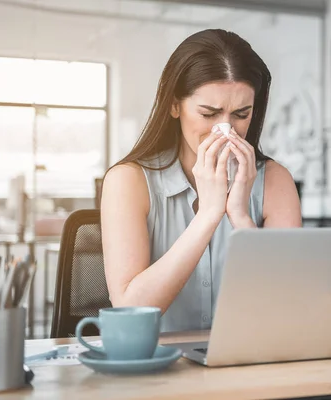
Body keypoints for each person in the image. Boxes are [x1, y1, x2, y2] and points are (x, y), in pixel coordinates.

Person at [100, 29, 302, 333]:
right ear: (174, 105)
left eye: (241, 114)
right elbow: (130, 309)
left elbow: (288, 307)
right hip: (158, 369)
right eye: (209, 113)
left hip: (249, 363)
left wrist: (240, 217)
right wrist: (208, 214)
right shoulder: (127, 182)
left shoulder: (275, 181)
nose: (226, 130)